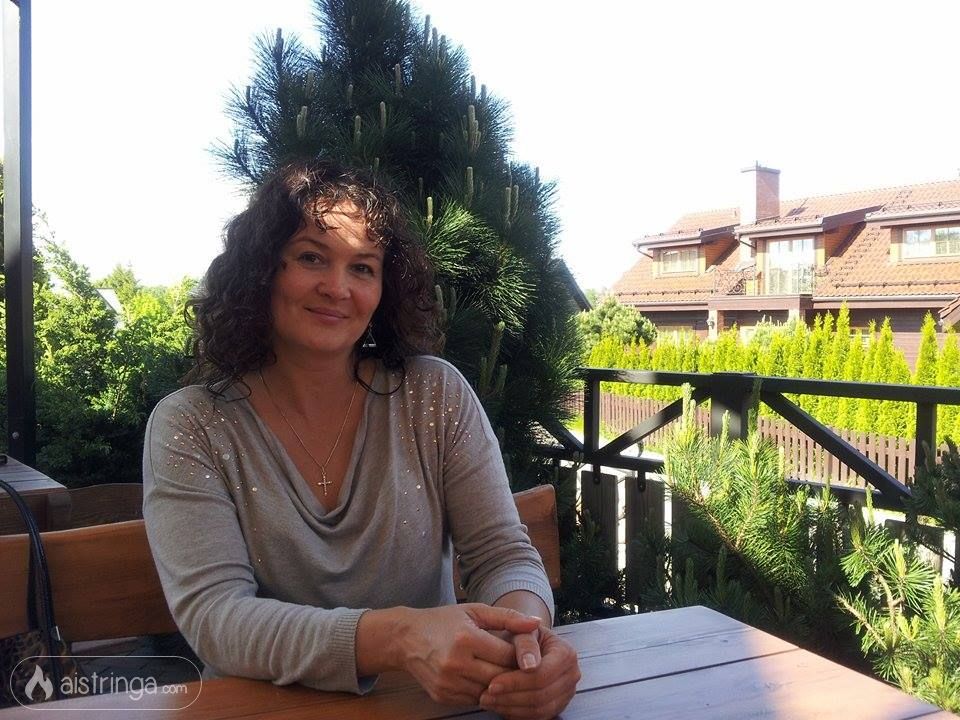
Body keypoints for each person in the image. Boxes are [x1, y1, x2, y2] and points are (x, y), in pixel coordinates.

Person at [142, 158, 580, 719]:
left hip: (422, 709)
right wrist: (398, 638)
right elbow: (217, 618)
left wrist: (527, 642)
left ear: (383, 290)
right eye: (311, 257)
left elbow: (502, 554)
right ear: (261, 270)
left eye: (363, 268)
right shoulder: (191, 424)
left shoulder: (434, 394)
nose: (337, 288)